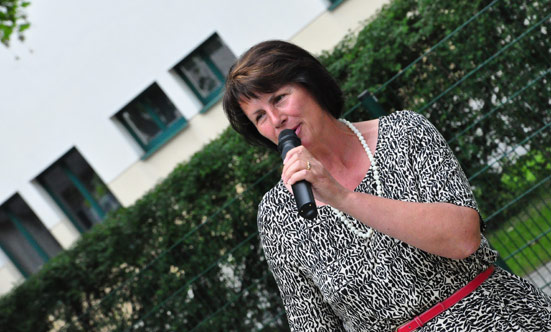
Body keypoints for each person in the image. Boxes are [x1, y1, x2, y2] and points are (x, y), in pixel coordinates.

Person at [223, 40, 551, 331]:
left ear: (313, 86)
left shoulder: (405, 132)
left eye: (279, 98)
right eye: (259, 117)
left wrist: (340, 196)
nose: (275, 119)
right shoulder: (277, 214)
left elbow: (462, 238)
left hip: (497, 318)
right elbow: (313, 325)